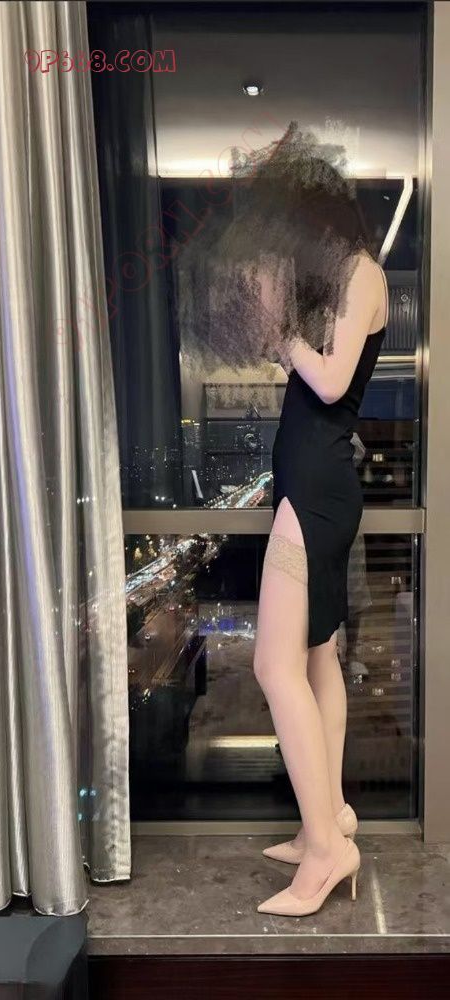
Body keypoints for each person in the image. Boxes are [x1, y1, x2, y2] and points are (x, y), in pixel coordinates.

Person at [254, 248, 389, 917]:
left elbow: (331, 385)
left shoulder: (361, 270)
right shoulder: (341, 272)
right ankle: (325, 821)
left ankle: (327, 851)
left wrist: (280, 329)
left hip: (312, 498)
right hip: (307, 490)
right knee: (315, 657)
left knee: (272, 665)